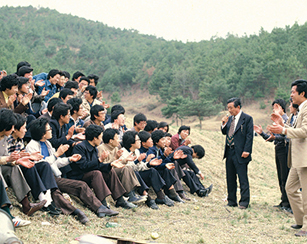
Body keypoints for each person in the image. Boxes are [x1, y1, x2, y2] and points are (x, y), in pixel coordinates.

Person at [26, 118, 118, 220]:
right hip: (44, 179)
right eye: (49, 129)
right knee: (58, 193)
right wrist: (57, 154)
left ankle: (100, 208)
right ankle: (76, 212)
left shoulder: (47, 144)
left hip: (54, 176)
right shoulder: (32, 146)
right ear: (43, 133)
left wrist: (69, 159)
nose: (51, 130)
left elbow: (55, 163)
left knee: (81, 185)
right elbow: (41, 166)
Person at [268, 79, 307, 236]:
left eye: (293, 92)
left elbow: (305, 131)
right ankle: (299, 221)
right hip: (297, 159)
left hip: (304, 158)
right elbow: (295, 130)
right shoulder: (301, 110)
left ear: (302, 93)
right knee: (290, 188)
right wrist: (282, 127)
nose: (291, 95)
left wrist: (283, 130)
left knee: (306, 194)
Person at [69, 125, 137, 209]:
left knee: (110, 171)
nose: (101, 139)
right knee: (96, 173)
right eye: (100, 137)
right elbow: (83, 166)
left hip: (89, 174)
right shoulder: (80, 147)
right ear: (95, 138)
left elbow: (98, 166)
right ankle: (102, 203)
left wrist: (110, 165)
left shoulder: (94, 149)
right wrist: (100, 160)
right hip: (78, 176)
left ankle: (120, 200)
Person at [254, 99, 291, 212]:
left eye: (275, 108)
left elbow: (287, 136)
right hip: (278, 149)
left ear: (280, 107)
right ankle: (283, 200)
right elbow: (272, 138)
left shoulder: (286, 120)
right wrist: (261, 133)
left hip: (285, 150)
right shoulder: (276, 121)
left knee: (285, 176)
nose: (273, 111)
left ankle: (288, 203)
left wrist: (275, 138)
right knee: (280, 176)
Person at [221, 97, 253, 209]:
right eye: (228, 108)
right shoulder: (230, 119)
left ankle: (244, 202)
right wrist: (223, 123)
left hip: (241, 152)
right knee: (230, 178)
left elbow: (249, 136)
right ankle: (231, 201)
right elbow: (225, 132)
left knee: (242, 178)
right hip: (229, 151)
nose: (229, 110)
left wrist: (247, 150)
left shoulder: (247, 118)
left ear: (238, 107)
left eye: (231, 107)